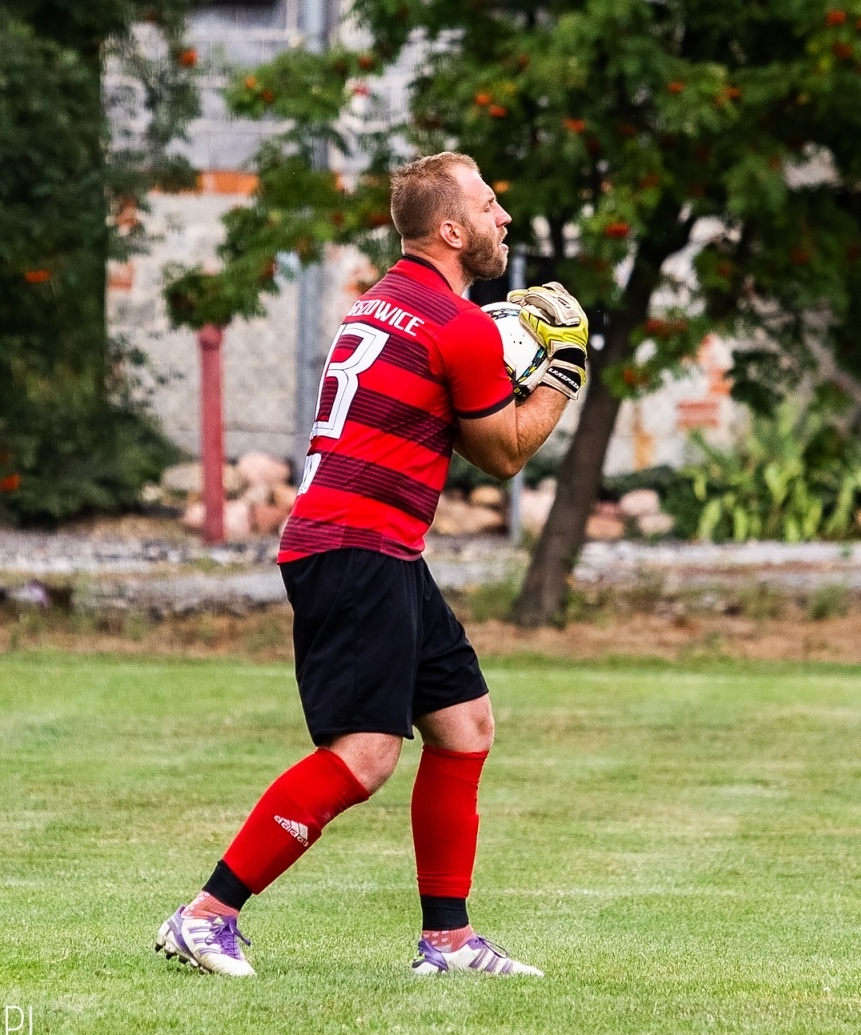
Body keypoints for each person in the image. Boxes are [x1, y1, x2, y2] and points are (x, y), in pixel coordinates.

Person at [155, 151, 587, 978]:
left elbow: (454, 413)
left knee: (464, 726)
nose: (504, 216)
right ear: (451, 228)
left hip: (372, 543)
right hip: (356, 547)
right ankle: (207, 914)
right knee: (366, 756)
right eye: (489, 204)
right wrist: (560, 372)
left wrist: (506, 363)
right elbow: (500, 452)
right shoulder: (456, 325)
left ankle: (449, 941)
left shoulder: (386, 303)